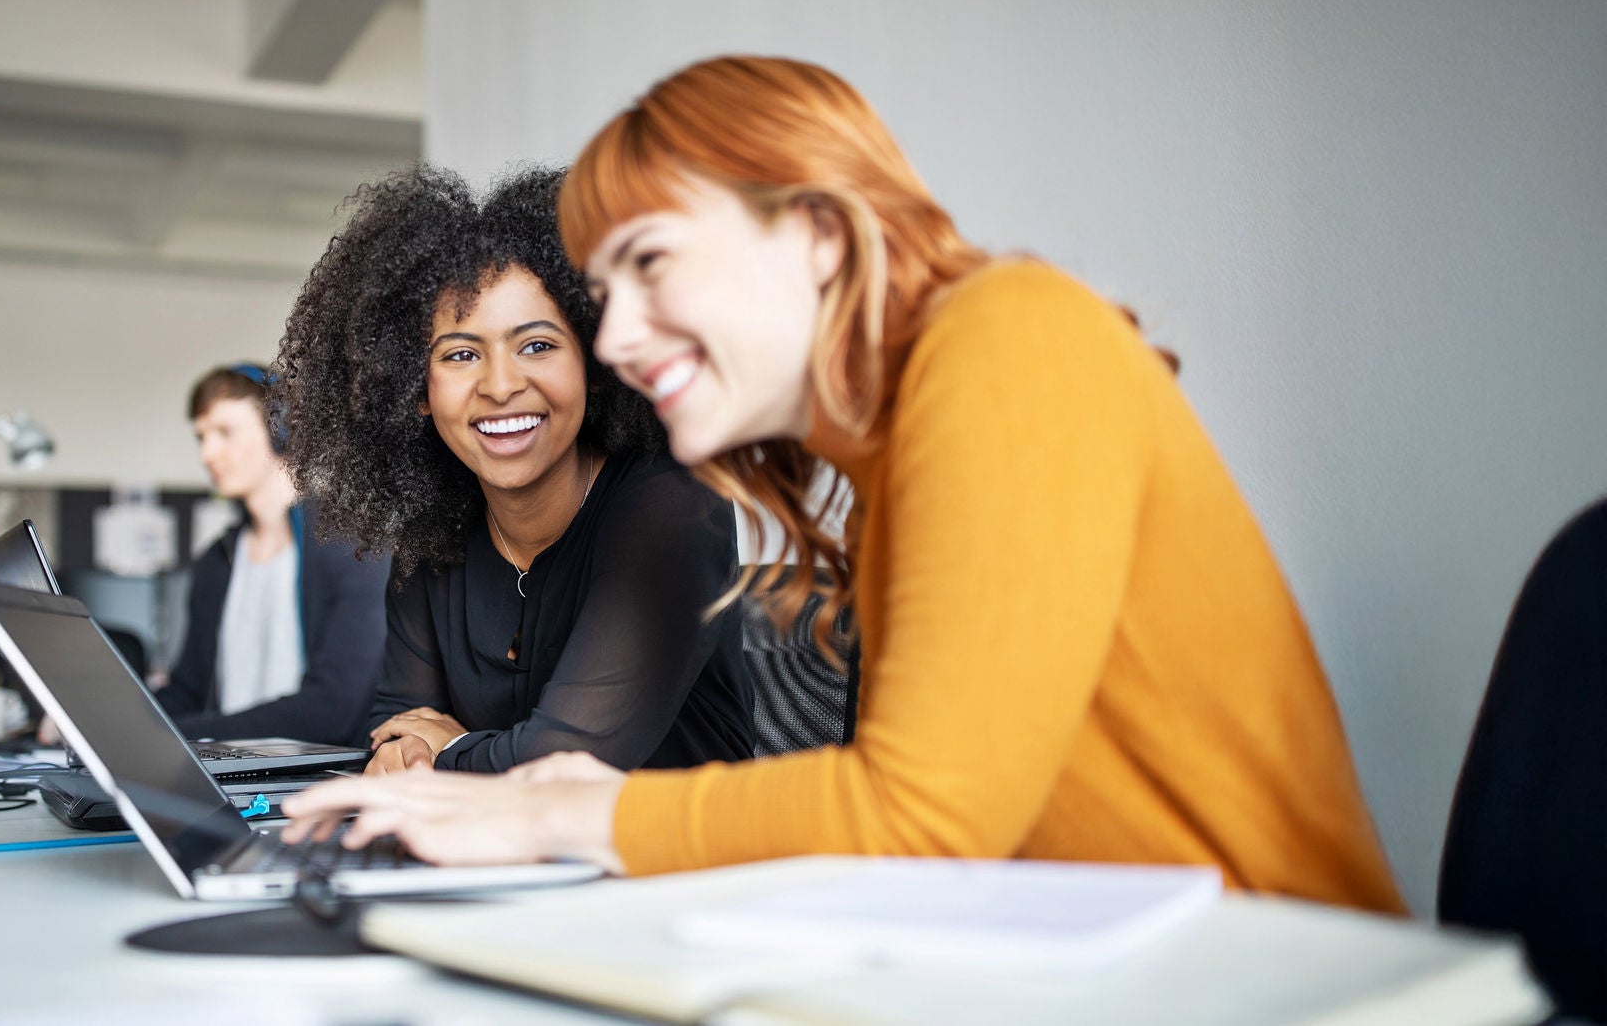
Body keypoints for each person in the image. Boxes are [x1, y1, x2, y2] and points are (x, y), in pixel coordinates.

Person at [284, 56, 1406, 914]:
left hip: (1257, 973)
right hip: (1056, 955)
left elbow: (923, 813)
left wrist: (554, 812)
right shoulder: (900, 441)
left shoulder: (1007, 340)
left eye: (651, 266)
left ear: (817, 234)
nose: (615, 338)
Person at [273, 165, 754, 776]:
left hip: (678, 865)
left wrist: (446, 749)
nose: (501, 386)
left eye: (537, 345)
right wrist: (419, 754)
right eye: (462, 354)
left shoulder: (674, 507)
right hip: (500, 861)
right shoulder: (432, 538)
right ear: (415, 389)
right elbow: (396, 737)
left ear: (595, 361)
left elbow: (566, 764)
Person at [152, 363, 386, 748]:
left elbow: (334, 710)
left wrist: (180, 735)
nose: (207, 453)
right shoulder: (217, 560)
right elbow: (187, 693)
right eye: (201, 437)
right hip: (223, 778)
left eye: (225, 432)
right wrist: (106, 727)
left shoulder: (352, 548)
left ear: (281, 429)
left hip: (315, 781)